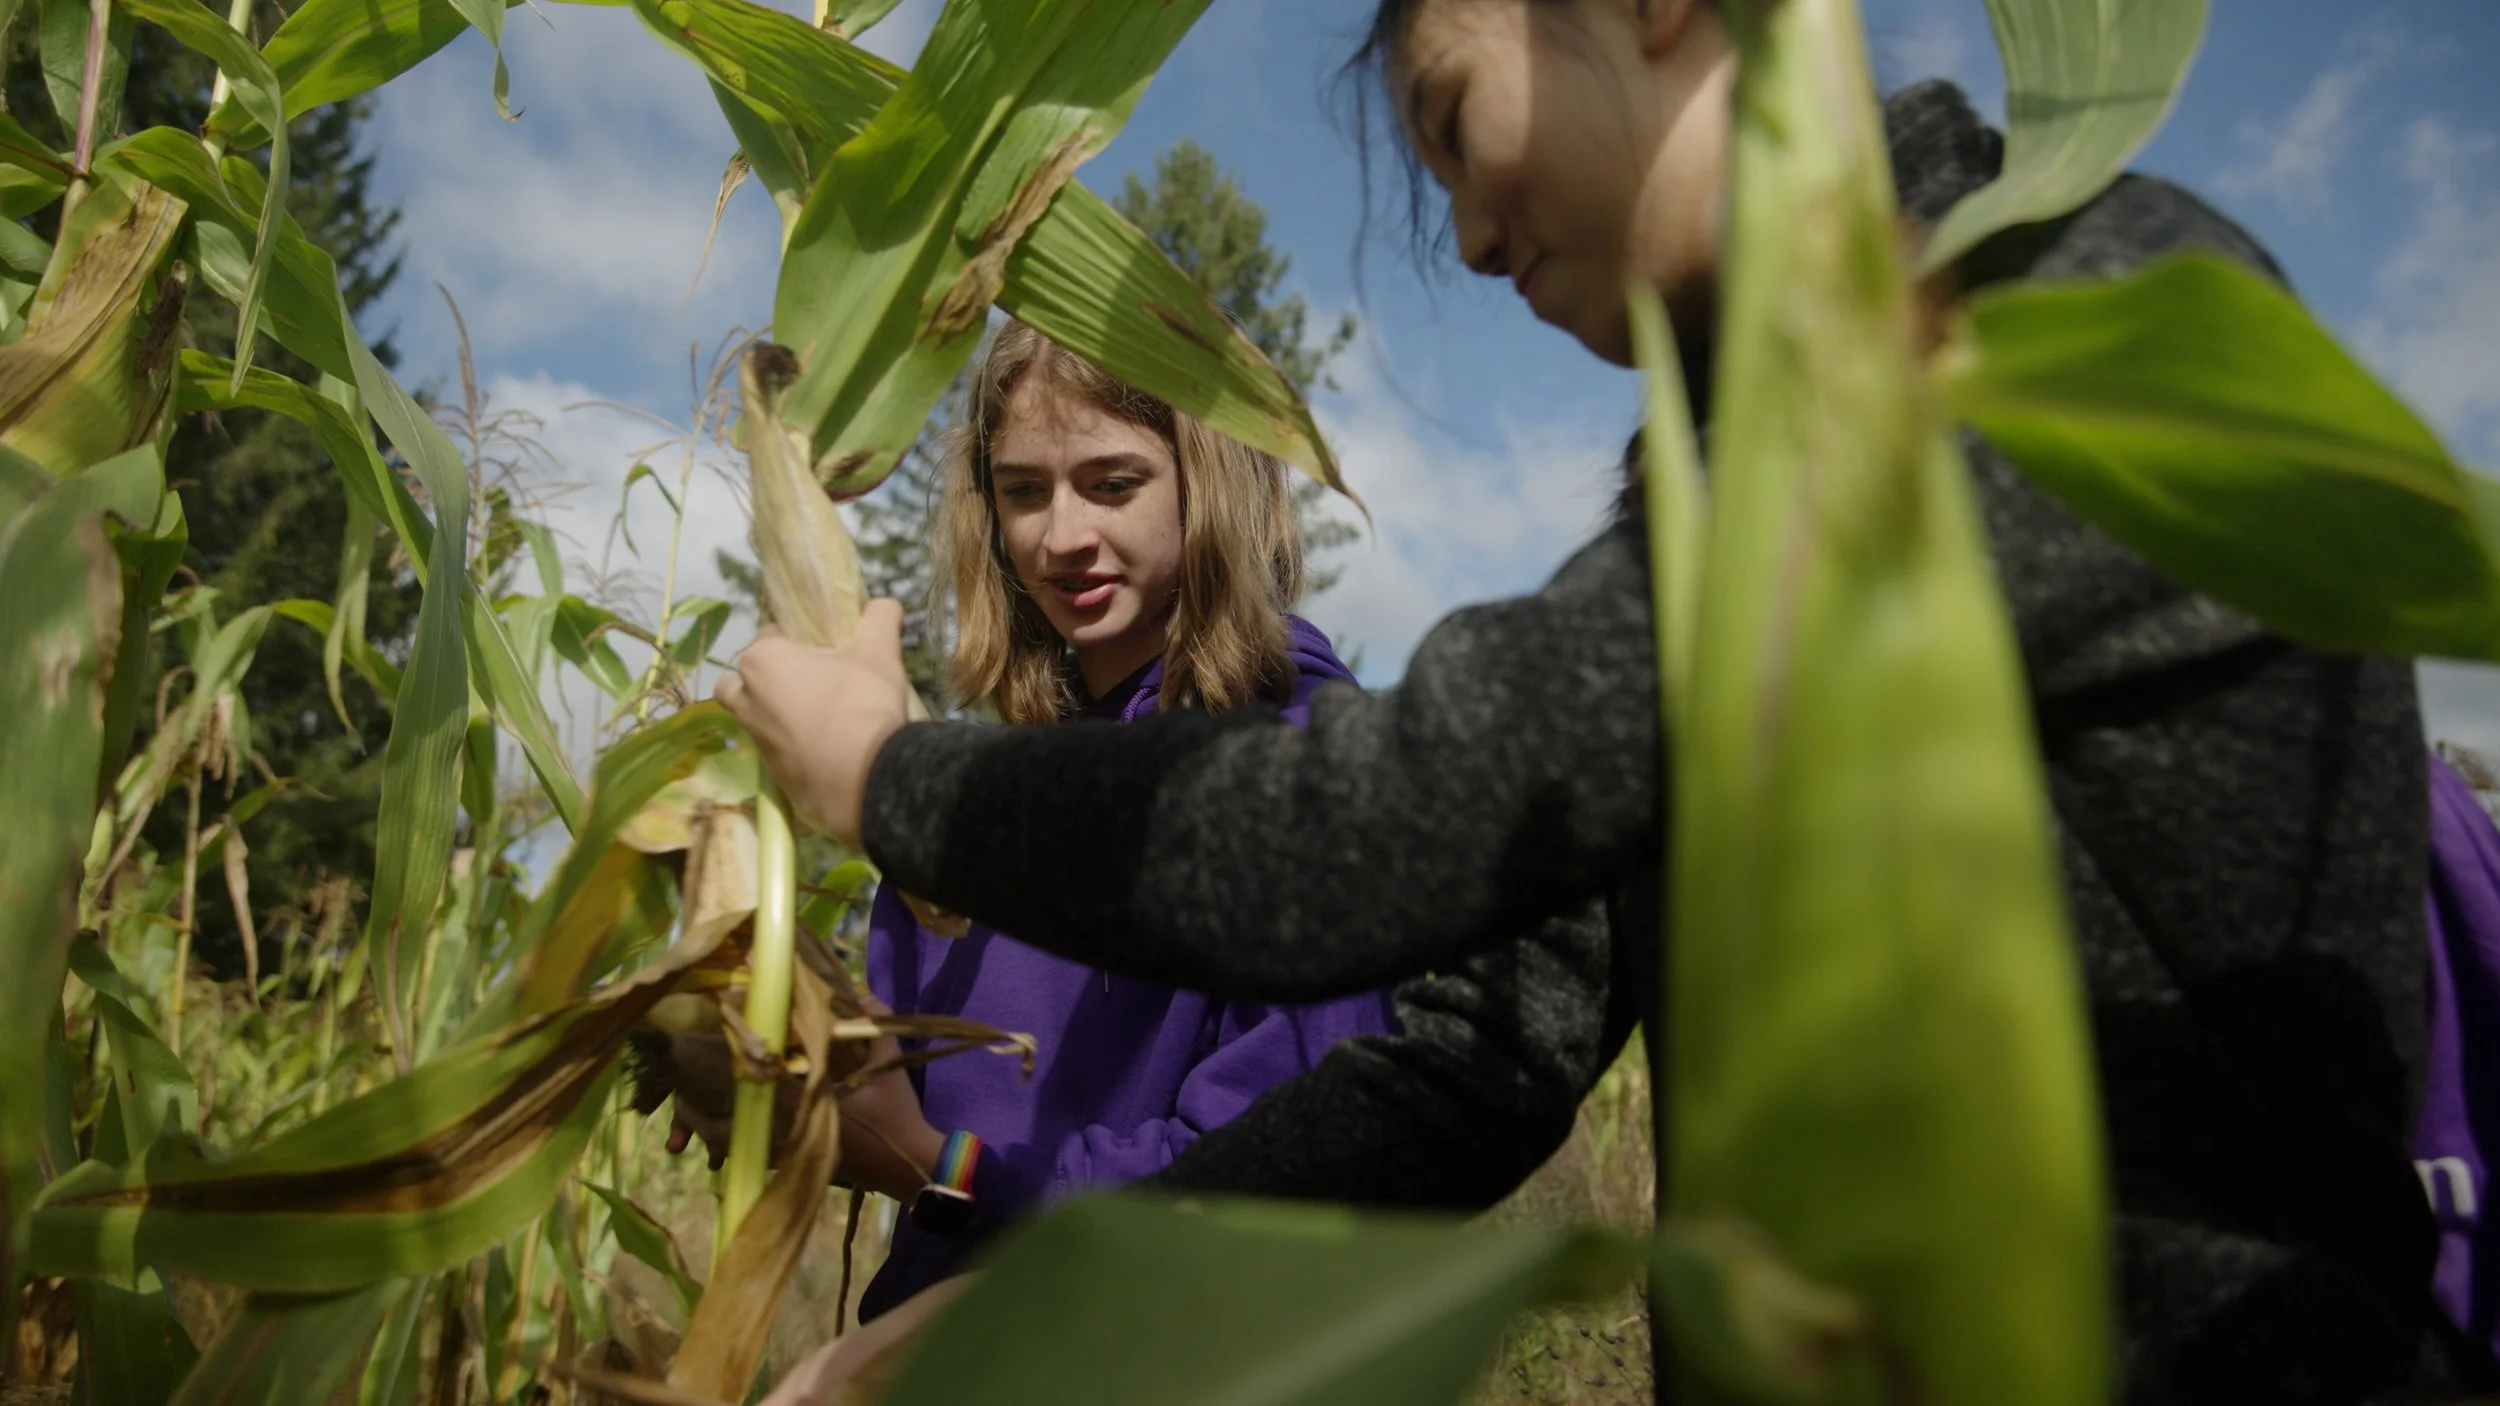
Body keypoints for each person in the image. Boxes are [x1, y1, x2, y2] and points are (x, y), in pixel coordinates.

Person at [716, 0, 2487, 1398]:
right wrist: (1040, 1299)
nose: (1472, 233)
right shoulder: (1717, 483)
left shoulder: (2041, 314)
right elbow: (1474, 1058)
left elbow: (1373, 831)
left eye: (1454, 121)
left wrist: (891, 772)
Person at [791, 320, 1395, 1323]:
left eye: (1113, 484)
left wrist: (945, 1169)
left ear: (1212, 483)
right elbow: (892, 1090)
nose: (1061, 536)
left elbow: (1278, 1184)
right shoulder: (972, 800)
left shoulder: (1299, 766)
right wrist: (771, 1077)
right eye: (1024, 491)